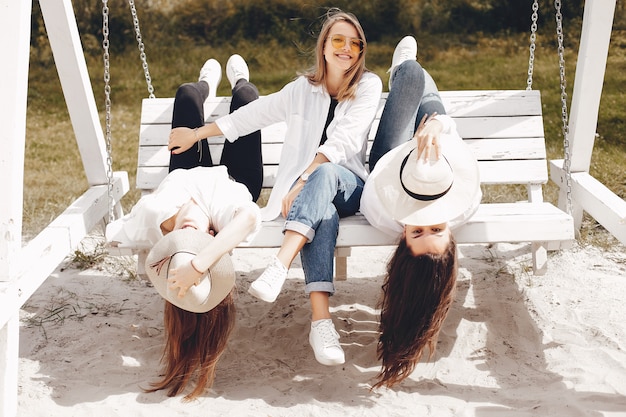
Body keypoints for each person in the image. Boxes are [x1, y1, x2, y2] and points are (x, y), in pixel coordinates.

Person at [168, 8, 383, 366]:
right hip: (311, 202)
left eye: (355, 43)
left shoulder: (368, 85)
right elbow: (252, 115)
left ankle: (280, 264)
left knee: (325, 177)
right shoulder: (303, 90)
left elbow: (343, 143)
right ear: (325, 46)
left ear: (361, 51)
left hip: (349, 186)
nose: (347, 48)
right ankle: (321, 322)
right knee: (322, 216)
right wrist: (197, 134)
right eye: (338, 40)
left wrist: (302, 179)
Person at [105, 61, 263, 399]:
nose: (190, 231)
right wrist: (198, 264)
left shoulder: (153, 217)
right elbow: (250, 218)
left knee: (187, 95)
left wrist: (189, 258)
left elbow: (116, 234)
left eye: (182, 242)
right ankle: (238, 80)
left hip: (186, 168)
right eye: (200, 241)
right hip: (237, 177)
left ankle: (207, 83)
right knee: (247, 98)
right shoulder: (226, 221)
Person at [359, 36, 482, 389]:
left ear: (401, 239)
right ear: (452, 235)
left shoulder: (381, 210)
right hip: (439, 158)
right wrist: (435, 128)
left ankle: (403, 69)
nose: (426, 222)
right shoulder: (463, 201)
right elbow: (455, 141)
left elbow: (379, 175)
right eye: (437, 229)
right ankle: (406, 73)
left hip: (392, 160)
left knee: (412, 73)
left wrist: (411, 153)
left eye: (417, 232)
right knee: (430, 104)